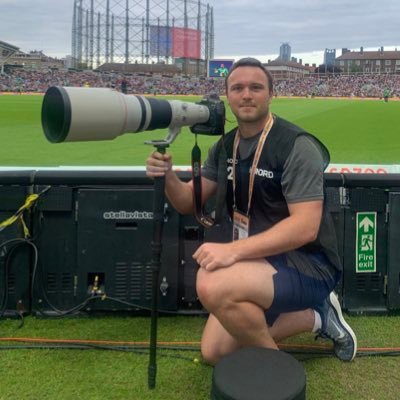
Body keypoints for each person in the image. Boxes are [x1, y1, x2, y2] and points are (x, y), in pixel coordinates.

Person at [146, 57, 357, 365]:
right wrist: (166, 175)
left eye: (256, 88)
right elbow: (187, 201)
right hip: (258, 261)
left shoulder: (296, 146)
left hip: (308, 264)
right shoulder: (225, 146)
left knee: (211, 282)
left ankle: (276, 370)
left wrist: (234, 252)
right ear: (228, 96)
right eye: (238, 88)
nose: (246, 94)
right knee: (214, 353)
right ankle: (319, 317)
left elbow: (305, 227)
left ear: (271, 94)